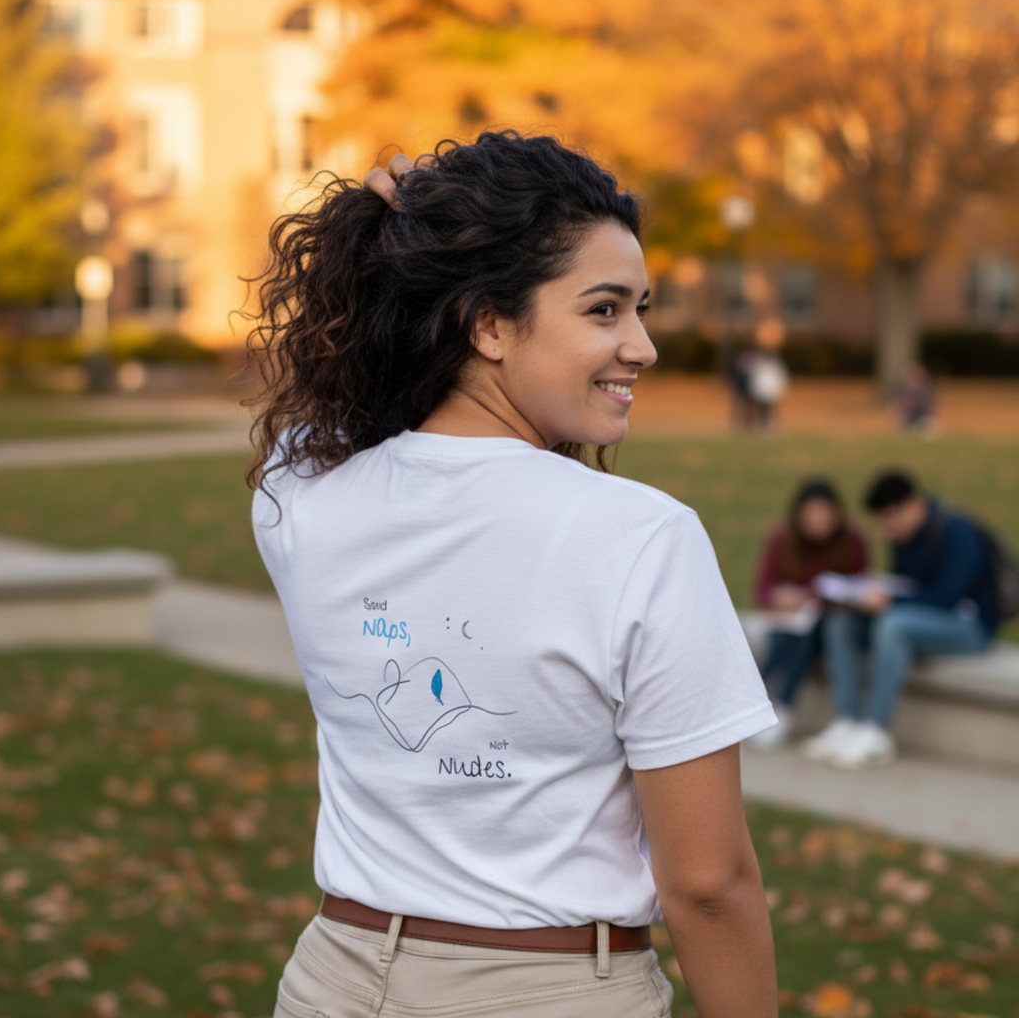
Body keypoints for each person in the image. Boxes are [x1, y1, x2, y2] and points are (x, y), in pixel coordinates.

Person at [246, 132, 778, 1018]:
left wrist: (393, 235)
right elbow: (710, 884)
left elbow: (313, 406)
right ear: (487, 323)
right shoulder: (641, 536)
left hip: (331, 985)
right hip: (551, 994)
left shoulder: (301, 495)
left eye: (641, 308)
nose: (642, 346)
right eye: (604, 310)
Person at [804, 470, 999, 769]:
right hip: (920, 620)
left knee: (892, 625)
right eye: (883, 521)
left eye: (892, 518)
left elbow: (947, 596)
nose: (888, 528)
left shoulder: (955, 531)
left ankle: (876, 732)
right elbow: (905, 585)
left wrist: (890, 600)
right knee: (840, 622)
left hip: (969, 627)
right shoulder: (901, 538)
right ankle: (847, 721)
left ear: (915, 505)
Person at [748, 479, 868, 751]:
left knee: (802, 640)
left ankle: (775, 709)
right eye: (811, 513)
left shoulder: (852, 541)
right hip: (788, 623)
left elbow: (858, 588)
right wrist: (781, 599)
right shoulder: (782, 540)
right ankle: (769, 708)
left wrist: (814, 598)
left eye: (824, 512)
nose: (818, 520)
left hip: (829, 626)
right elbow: (764, 590)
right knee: (788, 639)